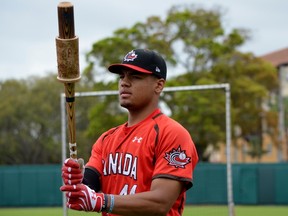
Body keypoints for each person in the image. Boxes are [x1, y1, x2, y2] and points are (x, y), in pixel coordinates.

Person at [60, 48, 199, 216]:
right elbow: (89, 184)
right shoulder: (106, 139)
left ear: (159, 85)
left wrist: (101, 201)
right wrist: (76, 182)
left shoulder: (172, 133)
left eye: (135, 76)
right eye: (122, 76)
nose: (124, 82)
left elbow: (160, 203)